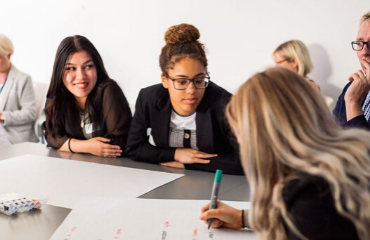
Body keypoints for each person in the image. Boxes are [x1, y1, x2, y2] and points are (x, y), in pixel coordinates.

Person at [200, 67, 370, 240]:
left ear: (264, 138)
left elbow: (307, 219)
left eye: (241, 137)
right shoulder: (342, 166)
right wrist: (244, 218)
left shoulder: (313, 200)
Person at [125, 24, 243, 175]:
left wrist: (191, 164)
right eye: (181, 82)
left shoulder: (226, 104)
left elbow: (246, 161)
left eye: (199, 80)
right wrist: (176, 154)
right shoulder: (149, 98)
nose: (191, 91)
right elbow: (134, 147)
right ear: (164, 80)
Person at [43, 35, 132, 157]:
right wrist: (87, 146)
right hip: (73, 167)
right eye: (71, 68)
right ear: (59, 71)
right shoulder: (57, 94)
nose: (81, 76)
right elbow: (52, 137)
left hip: (112, 168)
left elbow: (117, 145)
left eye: (88, 66)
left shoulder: (108, 90)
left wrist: (67, 145)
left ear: (97, 67)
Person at [333, 11, 370, 130]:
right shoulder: (351, 88)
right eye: (360, 43)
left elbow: (363, 149)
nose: (364, 52)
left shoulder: (352, 96)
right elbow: (332, 135)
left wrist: (353, 103)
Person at [0, 34, 38, 145]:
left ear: (8, 55)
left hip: (13, 134)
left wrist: (2, 117)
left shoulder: (23, 79)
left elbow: (30, 113)